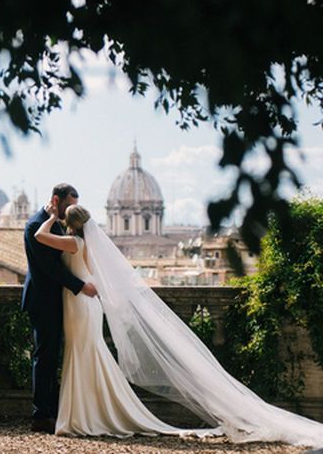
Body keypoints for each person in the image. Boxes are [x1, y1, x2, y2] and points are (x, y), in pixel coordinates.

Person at [34, 203, 323, 447]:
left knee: (83, 354)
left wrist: (50, 217)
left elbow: (38, 235)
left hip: (80, 306)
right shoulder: (88, 244)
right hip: (84, 305)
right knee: (87, 354)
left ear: (70, 224)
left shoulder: (74, 242)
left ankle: (82, 414)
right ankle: (89, 412)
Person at [21, 183, 98, 434]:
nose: (71, 212)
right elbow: (49, 268)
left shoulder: (59, 225)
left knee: (55, 356)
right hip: (43, 301)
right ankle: (41, 415)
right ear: (56, 200)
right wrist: (79, 286)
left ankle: (57, 410)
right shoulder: (36, 225)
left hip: (62, 301)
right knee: (45, 357)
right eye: (68, 206)